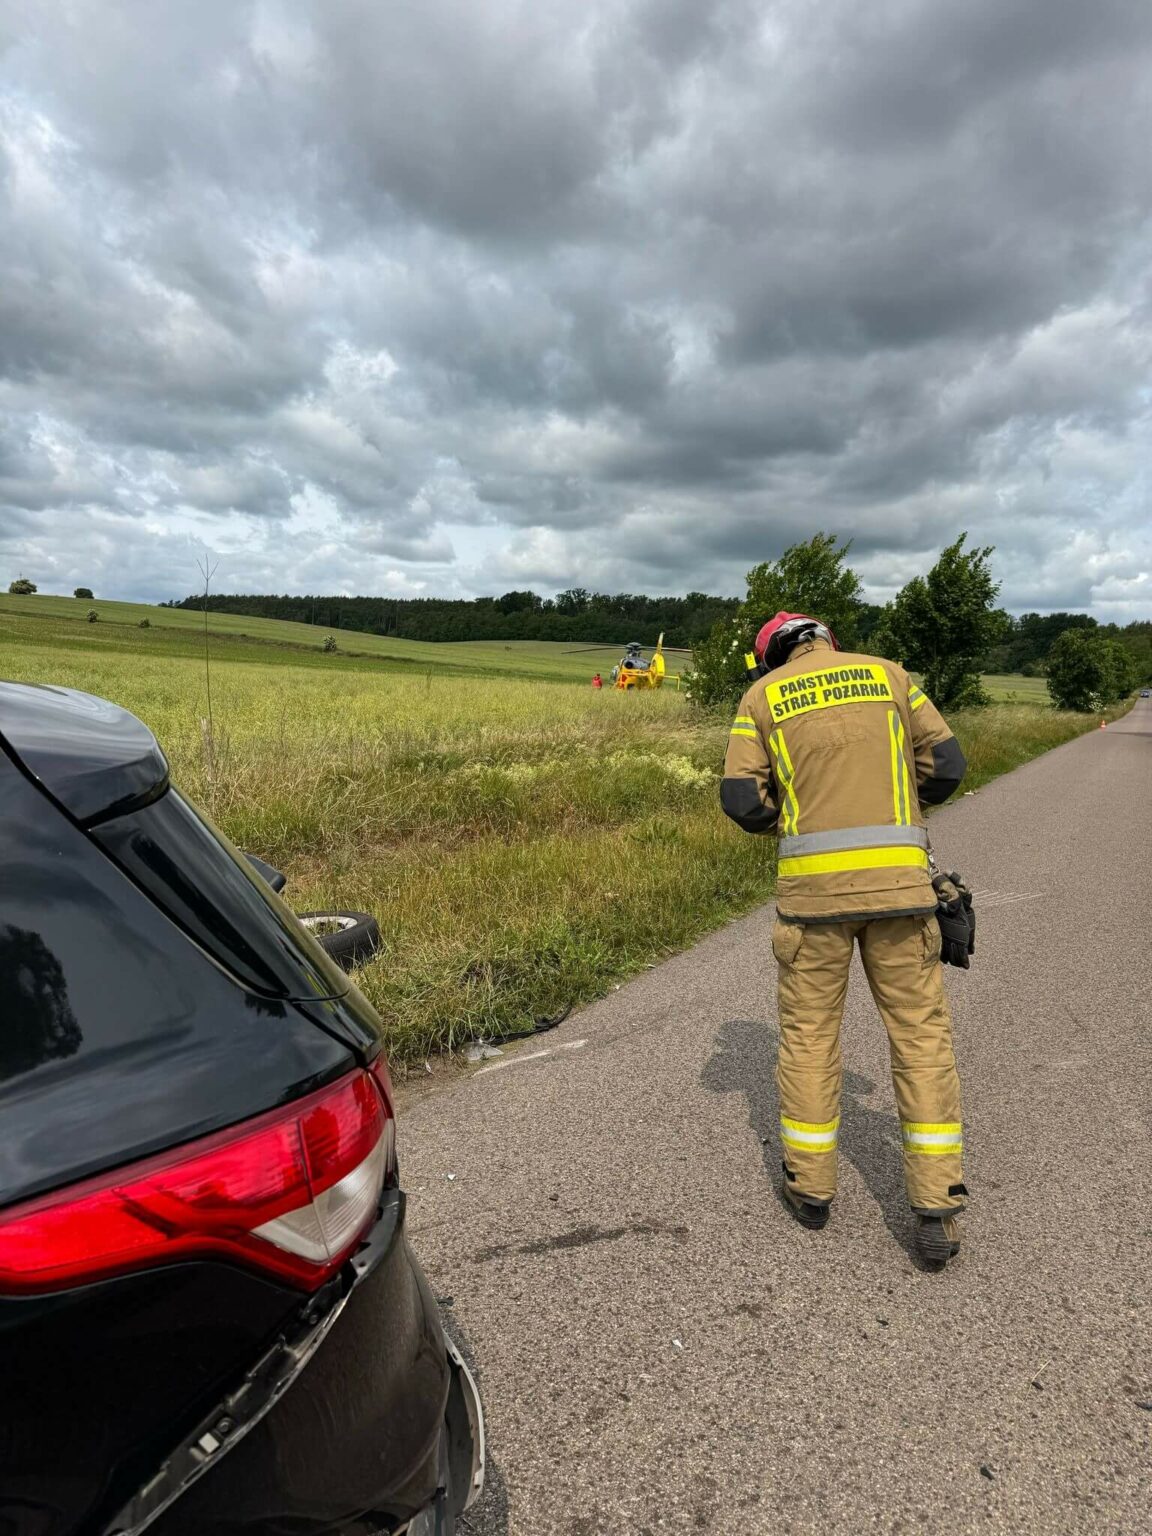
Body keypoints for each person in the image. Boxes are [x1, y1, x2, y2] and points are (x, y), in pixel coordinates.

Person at [720, 611, 969, 1269]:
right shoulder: (891, 677)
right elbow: (946, 766)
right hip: (900, 894)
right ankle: (937, 1205)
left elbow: (742, 800)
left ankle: (810, 1191)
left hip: (812, 905)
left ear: (776, 654)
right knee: (920, 1037)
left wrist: (798, 819)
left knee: (808, 1039)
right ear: (825, 637)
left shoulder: (762, 697)